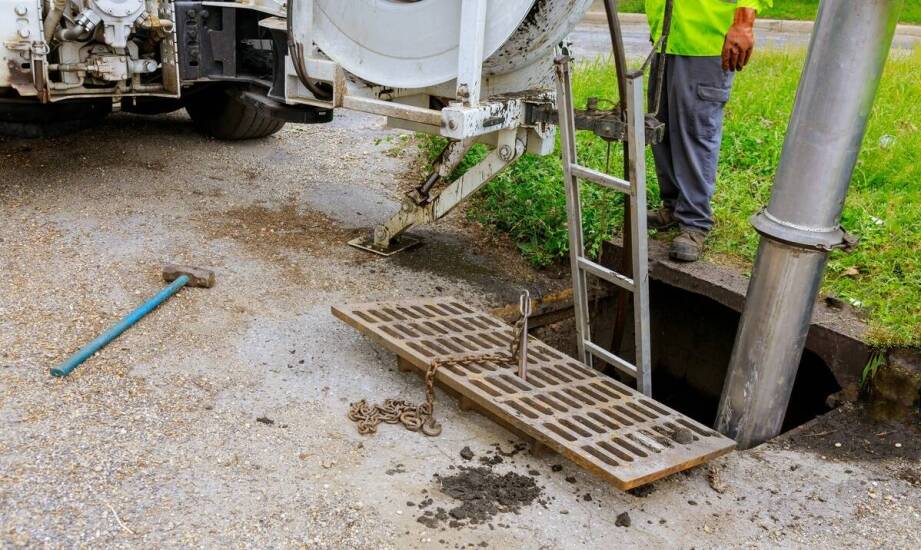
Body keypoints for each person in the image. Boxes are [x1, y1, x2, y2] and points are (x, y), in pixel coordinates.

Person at [645, 0, 771, 261]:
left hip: (706, 38)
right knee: (661, 128)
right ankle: (673, 206)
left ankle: (695, 222)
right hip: (668, 37)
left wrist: (744, 21)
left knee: (695, 132)